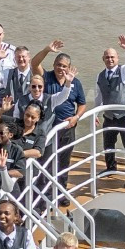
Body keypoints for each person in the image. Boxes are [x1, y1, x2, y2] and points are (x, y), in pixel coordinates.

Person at [93, 36, 125, 188]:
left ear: (117, 58)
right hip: (109, 116)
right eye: (107, 57)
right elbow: (98, 96)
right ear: (103, 59)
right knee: (108, 144)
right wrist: (96, 114)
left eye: (112, 57)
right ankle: (111, 167)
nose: (110, 59)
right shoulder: (100, 76)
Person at [44, 52, 86, 207]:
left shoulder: (76, 83)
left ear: (69, 68)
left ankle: (61, 192)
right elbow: (34, 65)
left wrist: (76, 117)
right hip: (48, 127)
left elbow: (82, 104)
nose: (60, 68)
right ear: (53, 64)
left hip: (67, 128)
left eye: (64, 66)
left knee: (63, 161)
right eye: (58, 65)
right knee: (47, 161)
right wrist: (47, 49)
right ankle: (47, 193)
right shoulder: (46, 78)